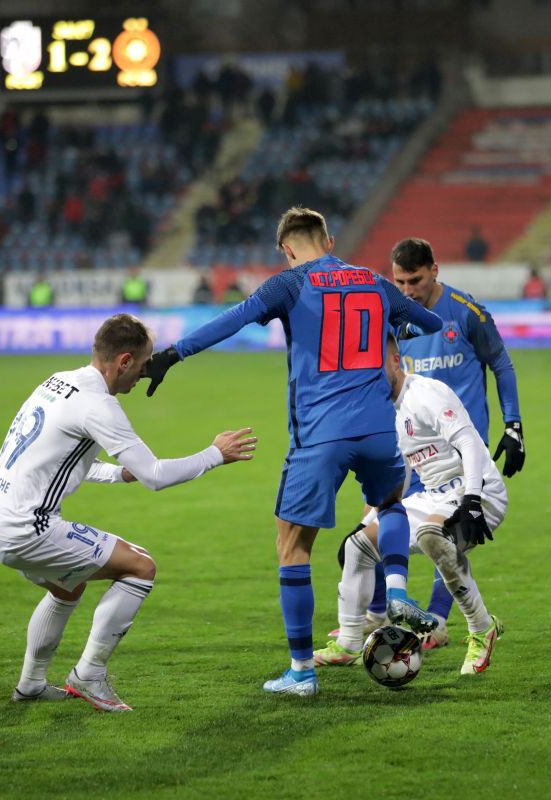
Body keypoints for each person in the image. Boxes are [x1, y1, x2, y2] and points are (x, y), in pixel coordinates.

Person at [142, 207, 444, 696]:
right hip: (378, 430)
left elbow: (233, 320)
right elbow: (428, 321)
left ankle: (302, 672)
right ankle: (396, 591)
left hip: (320, 435)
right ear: (329, 239)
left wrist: (171, 355)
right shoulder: (374, 282)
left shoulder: (289, 283)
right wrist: (392, 328)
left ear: (286, 249)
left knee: (293, 547)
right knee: (389, 505)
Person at [0, 313, 257, 712]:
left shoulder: (58, 381)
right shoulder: (98, 405)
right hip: (26, 528)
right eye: (143, 364)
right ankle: (89, 674)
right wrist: (214, 454)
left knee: (68, 587)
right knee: (140, 567)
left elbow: (53, 456)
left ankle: (31, 685)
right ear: (124, 361)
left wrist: (118, 474)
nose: (144, 374)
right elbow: (155, 475)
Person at [315, 335, 505, 675]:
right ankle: (349, 642)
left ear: (395, 361)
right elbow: (400, 471)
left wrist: (473, 499)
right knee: (358, 545)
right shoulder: (382, 410)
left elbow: (469, 442)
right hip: (434, 494)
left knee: (433, 535)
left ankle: (481, 628)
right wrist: (376, 515)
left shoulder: (426, 393)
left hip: (478, 488)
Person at [375, 237, 524, 648]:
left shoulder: (465, 310)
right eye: (400, 282)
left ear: (435, 271)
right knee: (381, 524)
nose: (408, 291)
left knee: (444, 534)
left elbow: (501, 362)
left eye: (416, 281)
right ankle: (374, 615)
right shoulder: (396, 320)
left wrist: (513, 424)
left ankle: (437, 621)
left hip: (460, 450)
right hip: (415, 445)